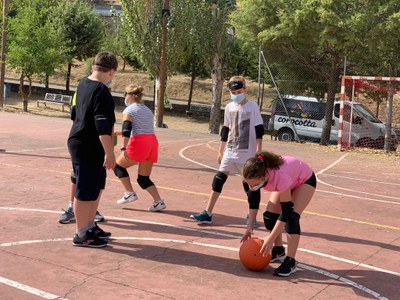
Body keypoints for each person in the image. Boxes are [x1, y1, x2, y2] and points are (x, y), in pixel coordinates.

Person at [190, 76, 264, 225]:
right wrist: (220, 150)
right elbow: (225, 130)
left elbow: (259, 130)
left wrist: (258, 152)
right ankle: (208, 213)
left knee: (251, 186)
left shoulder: (253, 107)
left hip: (247, 154)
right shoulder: (229, 107)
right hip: (230, 152)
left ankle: (252, 216)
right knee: (218, 179)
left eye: (239, 91)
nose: (236, 94)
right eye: (233, 92)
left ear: (245, 90)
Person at [67, 51, 118, 248]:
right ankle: (81, 234)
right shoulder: (101, 91)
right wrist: (110, 152)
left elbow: (73, 113)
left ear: (93, 67)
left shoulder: (82, 84)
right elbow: (102, 125)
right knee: (85, 189)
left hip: (82, 142)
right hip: (87, 145)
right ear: (112, 72)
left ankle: (89, 226)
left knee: (95, 186)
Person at [241, 151, 316, 277]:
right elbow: (253, 200)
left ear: (264, 177)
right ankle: (279, 250)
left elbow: (286, 212)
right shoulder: (250, 177)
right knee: (270, 217)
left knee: (292, 218)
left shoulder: (281, 177)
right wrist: (250, 227)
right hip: (288, 181)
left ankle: (290, 261)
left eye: (254, 184)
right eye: (249, 184)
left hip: (304, 180)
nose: (251, 186)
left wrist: (270, 238)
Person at [113, 84, 166, 212]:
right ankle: (158, 202)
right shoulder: (147, 110)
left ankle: (129, 193)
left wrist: (124, 147)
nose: (124, 97)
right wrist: (121, 134)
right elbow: (142, 128)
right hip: (152, 143)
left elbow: (127, 129)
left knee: (118, 167)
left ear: (130, 96)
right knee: (143, 178)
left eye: (125, 94)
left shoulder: (129, 110)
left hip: (139, 143)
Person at [59, 92, 104, 224]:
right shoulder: (81, 91)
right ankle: (72, 207)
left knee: (98, 179)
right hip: (82, 140)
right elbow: (74, 115)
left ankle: (91, 209)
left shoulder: (103, 93)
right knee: (77, 176)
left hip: (95, 142)